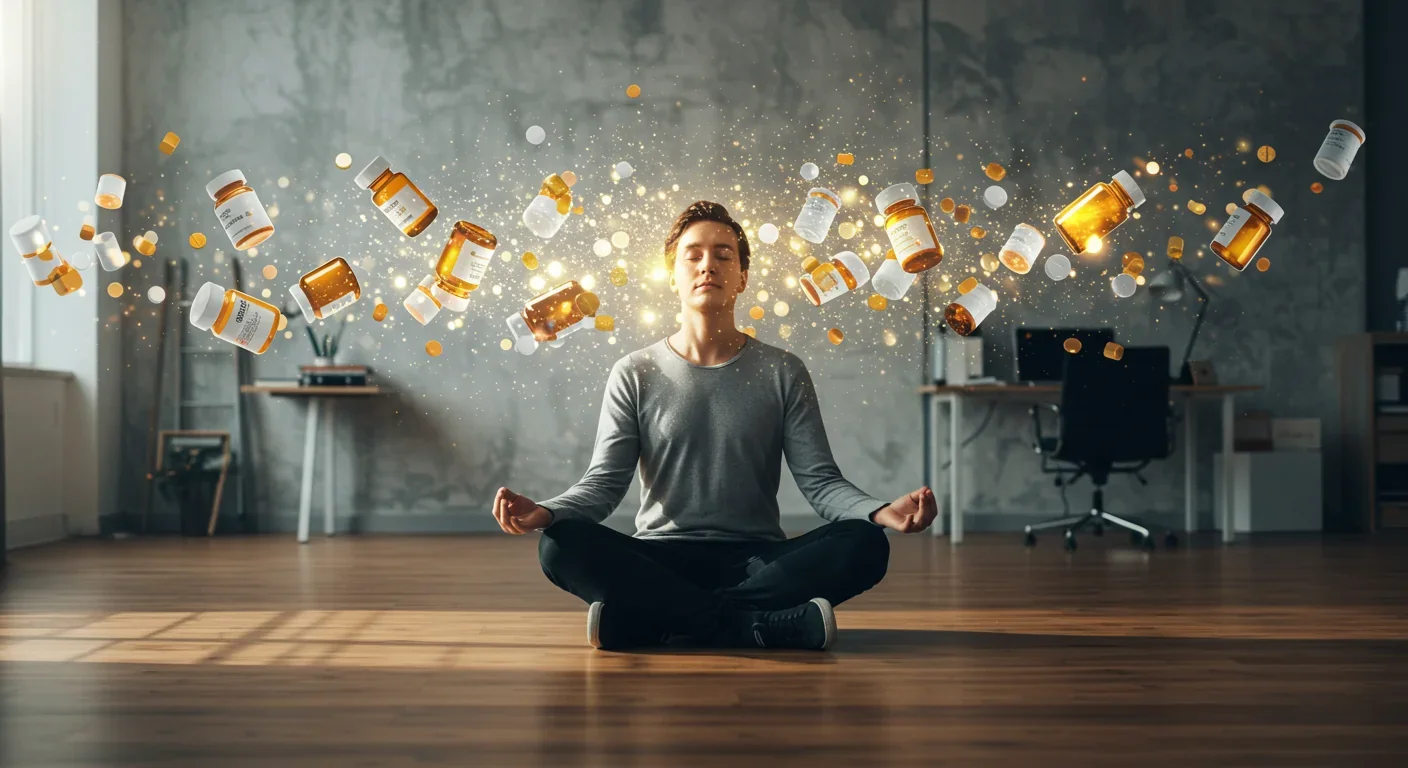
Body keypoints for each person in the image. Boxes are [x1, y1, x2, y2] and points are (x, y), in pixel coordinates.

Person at [491, 201, 937, 652]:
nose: (709, 266)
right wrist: (547, 512)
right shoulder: (634, 372)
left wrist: (879, 512)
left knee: (865, 543)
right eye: (694, 255)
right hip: (659, 559)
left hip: (757, 560)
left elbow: (821, 483)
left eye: (724, 255)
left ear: (742, 277)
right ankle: (754, 626)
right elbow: (604, 485)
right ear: (671, 275)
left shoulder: (783, 371)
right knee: (560, 544)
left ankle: (660, 624)